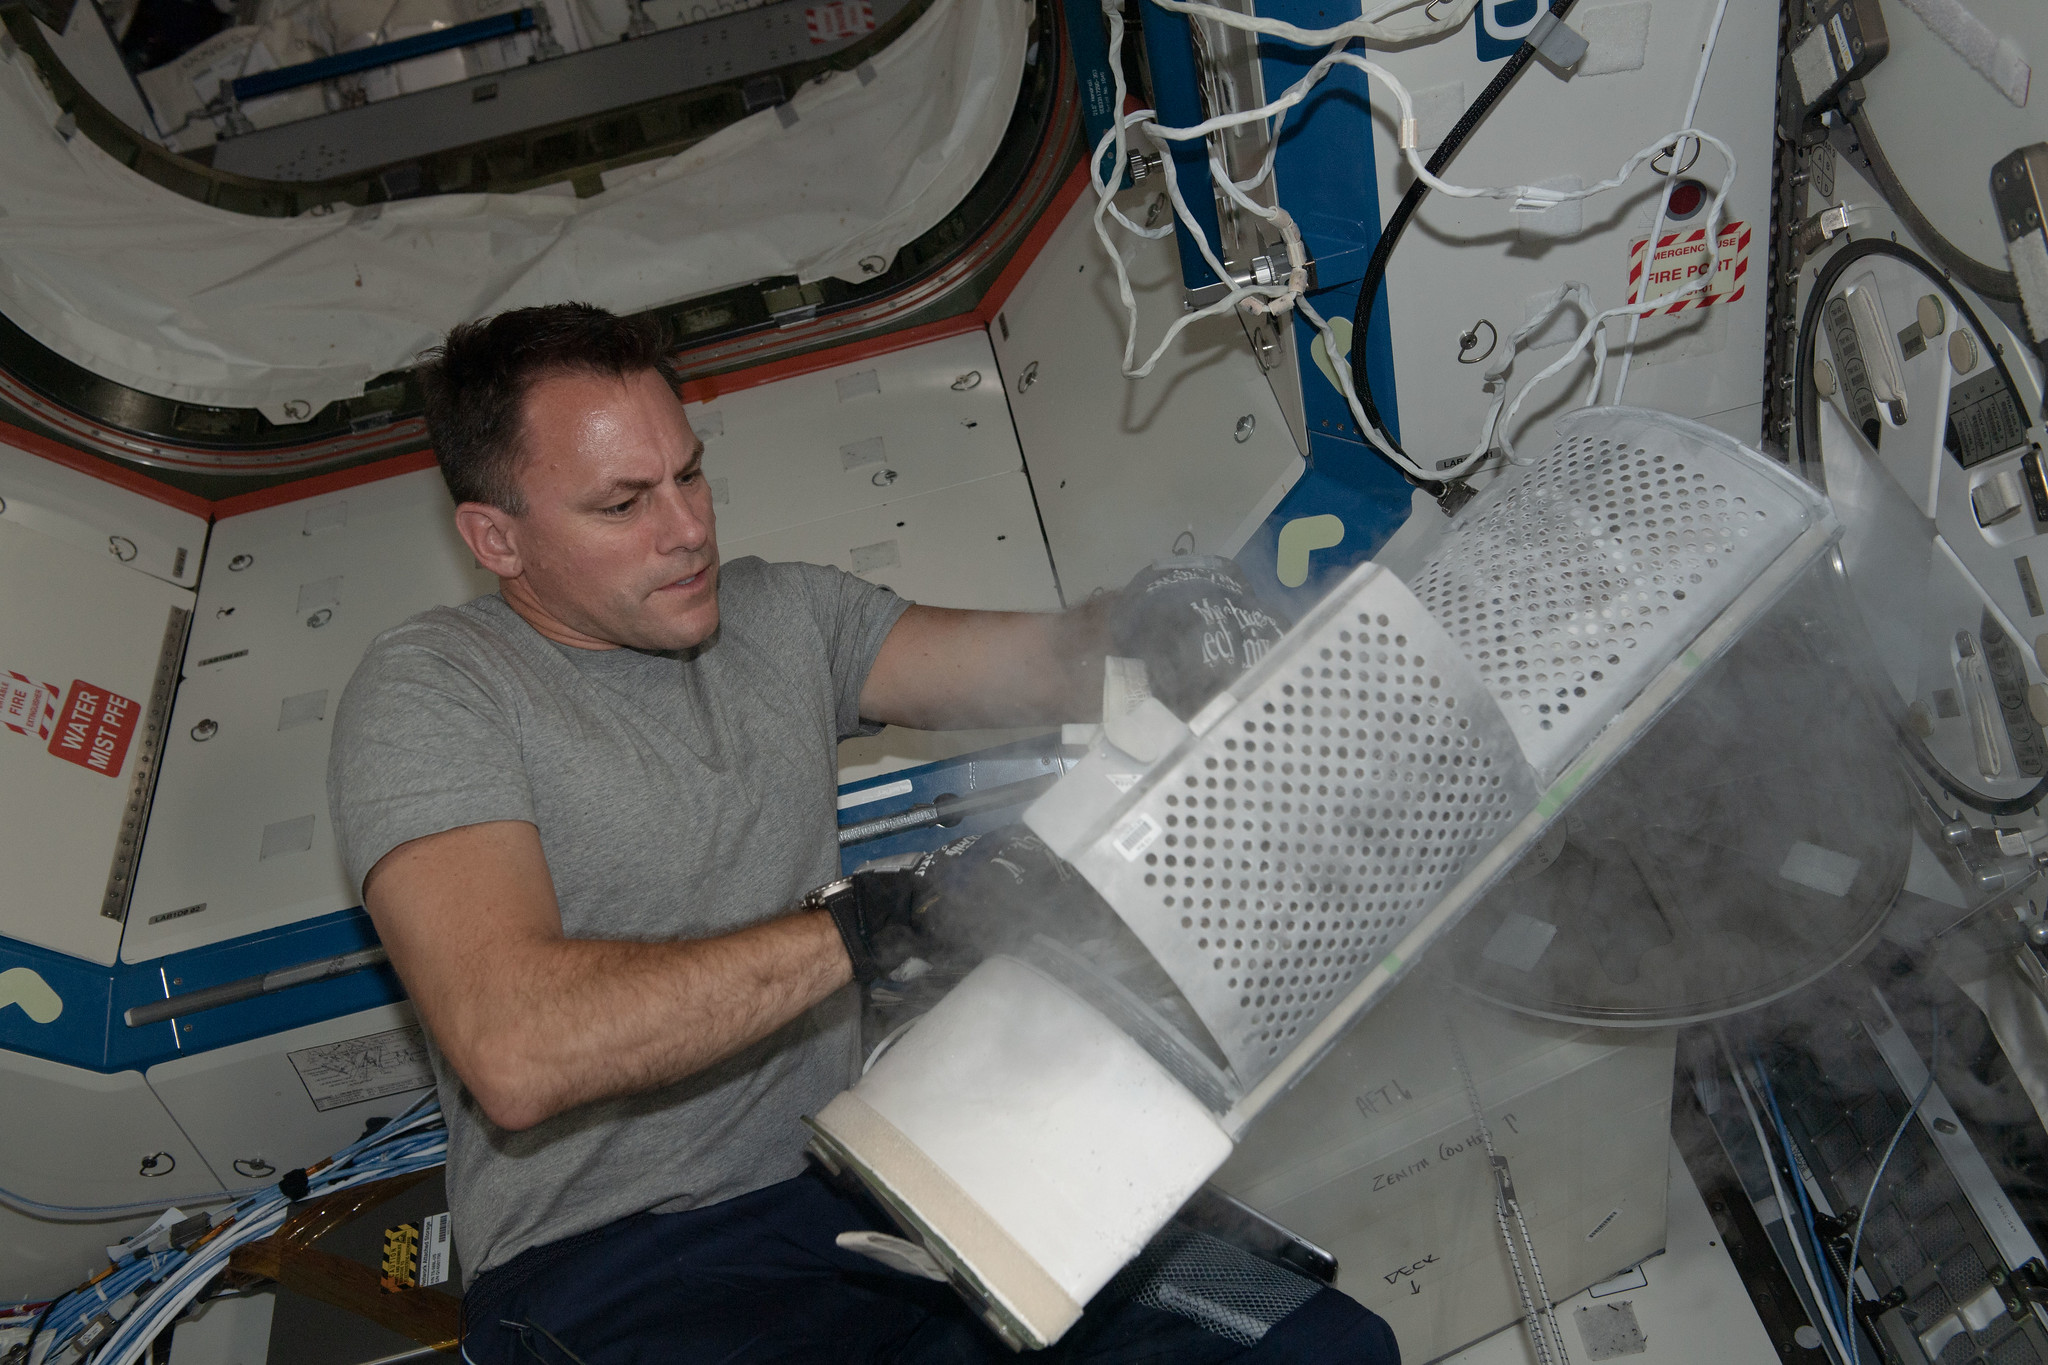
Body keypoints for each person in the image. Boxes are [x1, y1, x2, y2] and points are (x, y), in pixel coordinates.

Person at [327, 303, 1398, 1363]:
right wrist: (879, 921)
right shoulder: (436, 691)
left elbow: (1037, 663)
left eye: (689, 476)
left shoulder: (781, 618)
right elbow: (514, 1049)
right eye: (622, 505)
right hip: (612, 1271)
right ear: (496, 539)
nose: (688, 529)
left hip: (872, 1186)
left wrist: (1148, 627)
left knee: (1312, 1344)